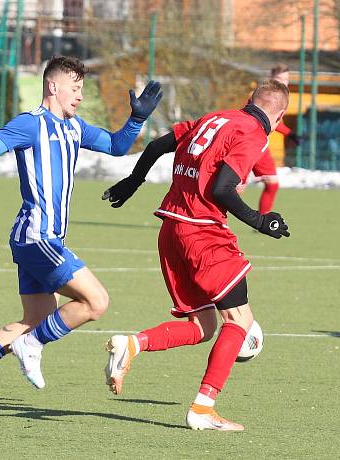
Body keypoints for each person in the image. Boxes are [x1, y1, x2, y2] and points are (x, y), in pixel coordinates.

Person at [0, 56, 162, 400]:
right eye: (75, 89)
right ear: (53, 86)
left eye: (82, 90)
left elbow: (117, 146)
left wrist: (137, 119)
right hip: (37, 236)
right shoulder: (30, 124)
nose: (79, 96)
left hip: (39, 238)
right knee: (96, 301)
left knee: (37, 318)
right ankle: (30, 346)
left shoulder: (75, 127)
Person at [101, 79, 290, 431]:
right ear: (278, 117)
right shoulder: (253, 133)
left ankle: (132, 344)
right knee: (239, 322)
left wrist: (134, 180)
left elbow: (158, 144)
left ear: (249, 100)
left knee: (203, 326)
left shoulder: (214, 117)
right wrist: (260, 221)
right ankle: (203, 408)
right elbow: (222, 188)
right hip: (202, 232)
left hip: (171, 228)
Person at [240, 65, 299, 214]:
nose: (284, 83)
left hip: (260, 145)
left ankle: (263, 220)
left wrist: (290, 134)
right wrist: (289, 133)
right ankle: (210, 217)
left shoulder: (280, 96)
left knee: (272, 184)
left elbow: (273, 123)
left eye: (286, 80)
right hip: (248, 145)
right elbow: (260, 120)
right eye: (280, 79)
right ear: (271, 78)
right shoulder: (263, 96)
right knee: (235, 187)